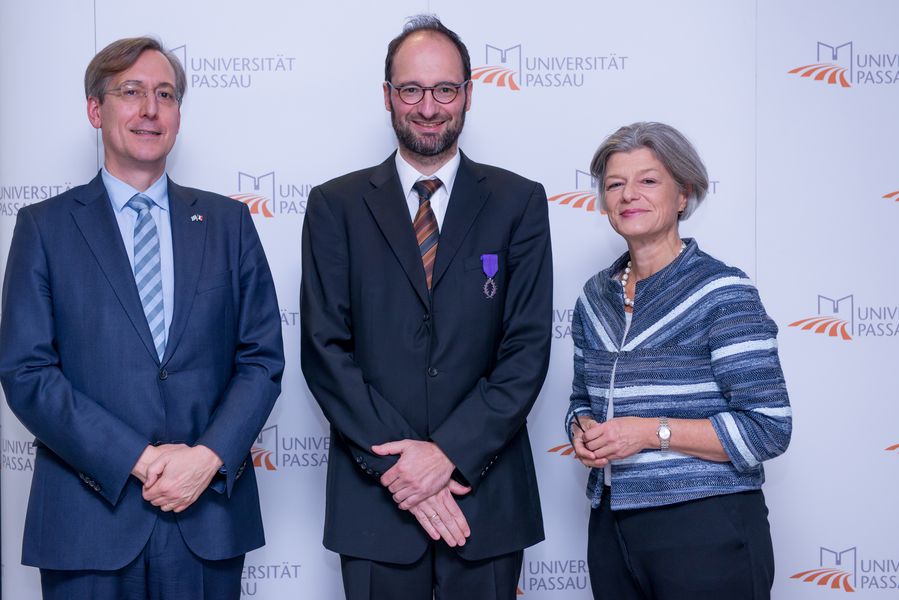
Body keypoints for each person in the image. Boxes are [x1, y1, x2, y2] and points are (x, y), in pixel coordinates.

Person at [0, 37, 284, 600]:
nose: (150, 110)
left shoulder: (228, 223)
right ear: (94, 109)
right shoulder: (44, 228)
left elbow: (261, 359)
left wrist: (206, 459)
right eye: (130, 92)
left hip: (207, 519)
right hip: (88, 520)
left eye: (165, 94)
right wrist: (140, 459)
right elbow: (28, 373)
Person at [301, 15, 552, 599]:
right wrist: (404, 466)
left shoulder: (519, 202)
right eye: (411, 89)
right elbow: (324, 349)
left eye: (445, 89)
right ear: (387, 96)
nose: (429, 107)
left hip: (483, 499)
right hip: (375, 502)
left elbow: (526, 347)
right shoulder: (334, 206)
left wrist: (449, 455)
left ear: (469, 93)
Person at [566, 122, 791, 599]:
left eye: (648, 180)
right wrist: (581, 430)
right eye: (614, 184)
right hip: (611, 526)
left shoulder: (722, 292)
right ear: (605, 203)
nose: (629, 194)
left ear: (683, 194)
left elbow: (769, 426)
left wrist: (649, 432)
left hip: (705, 525)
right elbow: (579, 400)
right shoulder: (593, 298)